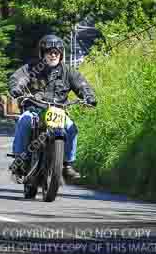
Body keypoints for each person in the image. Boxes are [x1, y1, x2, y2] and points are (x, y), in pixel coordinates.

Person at [8, 34, 97, 181]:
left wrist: (88, 96)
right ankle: (20, 160)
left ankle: (67, 165)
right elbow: (18, 78)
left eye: (56, 52)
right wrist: (17, 88)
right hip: (35, 109)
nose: (53, 55)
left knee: (71, 128)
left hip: (58, 111)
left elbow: (82, 85)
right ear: (43, 53)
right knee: (24, 121)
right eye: (50, 52)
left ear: (61, 54)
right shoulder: (32, 68)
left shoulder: (68, 72)